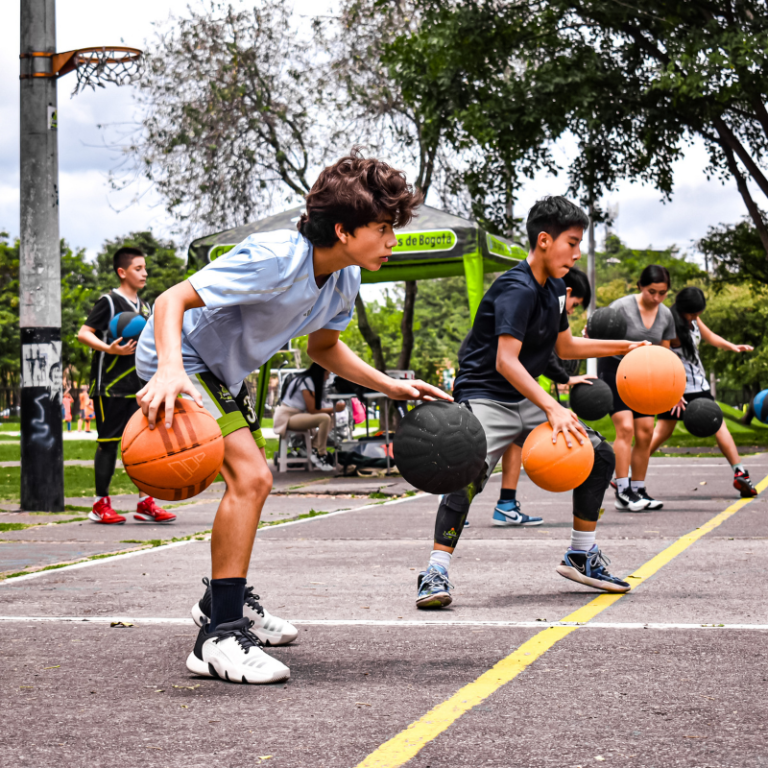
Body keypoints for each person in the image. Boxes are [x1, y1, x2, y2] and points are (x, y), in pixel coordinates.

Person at [135, 150, 449, 685]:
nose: (393, 239)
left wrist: (389, 383)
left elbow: (323, 348)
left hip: (223, 372)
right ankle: (218, 636)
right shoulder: (274, 256)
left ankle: (222, 598)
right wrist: (168, 372)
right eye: (384, 228)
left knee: (251, 481)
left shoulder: (344, 278)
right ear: (346, 230)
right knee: (253, 478)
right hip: (183, 362)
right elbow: (170, 300)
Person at [415, 196, 650, 610]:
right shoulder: (516, 288)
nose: (576, 253)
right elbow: (506, 361)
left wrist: (625, 346)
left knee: (599, 455)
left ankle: (581, 553)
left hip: (521, 395)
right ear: (544, 240)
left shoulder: (556, 288)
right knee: (466, 469)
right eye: (572, 243)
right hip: (486, 393)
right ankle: (435, 570)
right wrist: (552, 406)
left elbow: (565, 344)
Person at [77, 247, 176, 526]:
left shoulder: (144, 307)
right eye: (138, 268)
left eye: (145, 268)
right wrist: (109, 349)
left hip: (140, 387)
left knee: (146, 446)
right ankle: (99, 504)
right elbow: (84, 333)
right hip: (109, 387)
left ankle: (146, 503)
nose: (144, 273)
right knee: (109, 445)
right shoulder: (109, 302)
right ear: (122, 272)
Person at [491, 267, 596, 527]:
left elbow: (547, 353)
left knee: (517, 440)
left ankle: (505, 504)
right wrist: (563, 380)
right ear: (567, 292)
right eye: (575, 303)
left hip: (514, 384)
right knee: (478, 449)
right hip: (494, 386)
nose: (572, 310)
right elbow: (546, 353)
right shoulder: (529, 296)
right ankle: (455, 498)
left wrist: (566, 378)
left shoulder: (544, 300)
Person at [649, 286, 757, 498]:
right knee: (665, 431)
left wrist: (732, 347)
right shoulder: (670, 327)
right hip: (684, 388)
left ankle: (740, 473)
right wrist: (674, 392)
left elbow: (711, 337)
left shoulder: (693, 322)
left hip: (694, 386)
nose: (696, 317)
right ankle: (629, 475)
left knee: (666, 431)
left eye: (698, 313)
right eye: (693, 313)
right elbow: (664, 360)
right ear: (682, 309)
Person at [598, 265, 676, 512]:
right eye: (652, 291)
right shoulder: (620, 307)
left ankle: (638, 489)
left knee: (646, 431)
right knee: (626, 427)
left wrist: (671, 389)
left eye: (662, 293)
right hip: (615, 371)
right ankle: (622, 491)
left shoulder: (665, 315)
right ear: (640, 286)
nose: (656, 298)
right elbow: (601, 337)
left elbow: (665, 355)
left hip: (645, 377)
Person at [273, 363, 345, 471]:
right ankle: (320, 454)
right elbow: (312, 409)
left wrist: (333, 409)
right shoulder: (306, 381)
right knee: (325, 418)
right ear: (320, 373)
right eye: (326, 374)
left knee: (329, 417)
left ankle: (313, 448)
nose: (327, 378)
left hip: (297, 414)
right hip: (287, 417)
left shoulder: (307, 381)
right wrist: (335, 409)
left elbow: (317, 407)